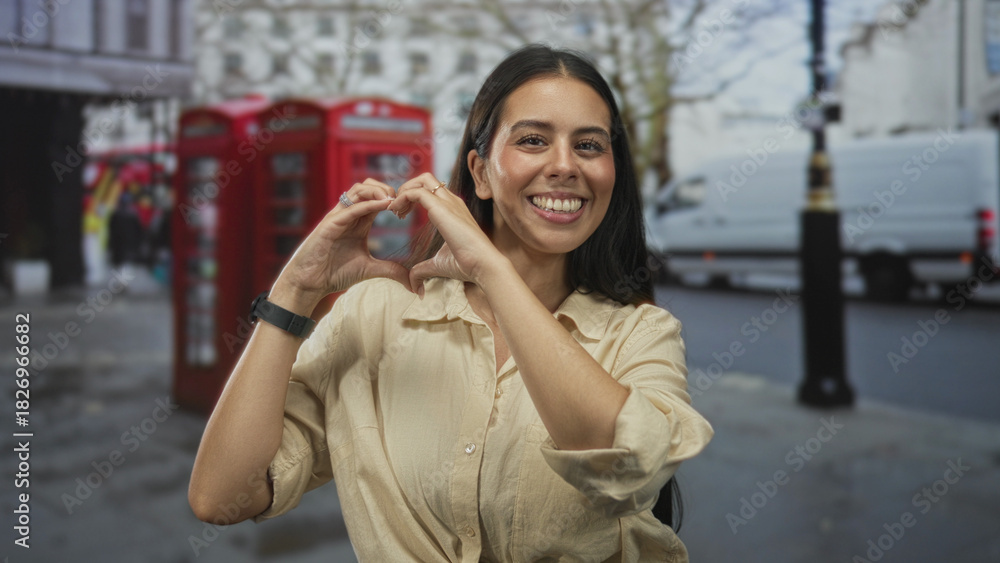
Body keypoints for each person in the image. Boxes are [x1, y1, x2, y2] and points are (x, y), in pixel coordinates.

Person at [189, 44, 713, 561]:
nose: (564, 165)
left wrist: (491, 267)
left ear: (611, 172)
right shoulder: (375, 315)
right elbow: (221, 496)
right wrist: (295, 291)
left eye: (590, 146)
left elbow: (626, 465)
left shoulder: (643, 333)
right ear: (480, 173)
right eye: (533, 139)